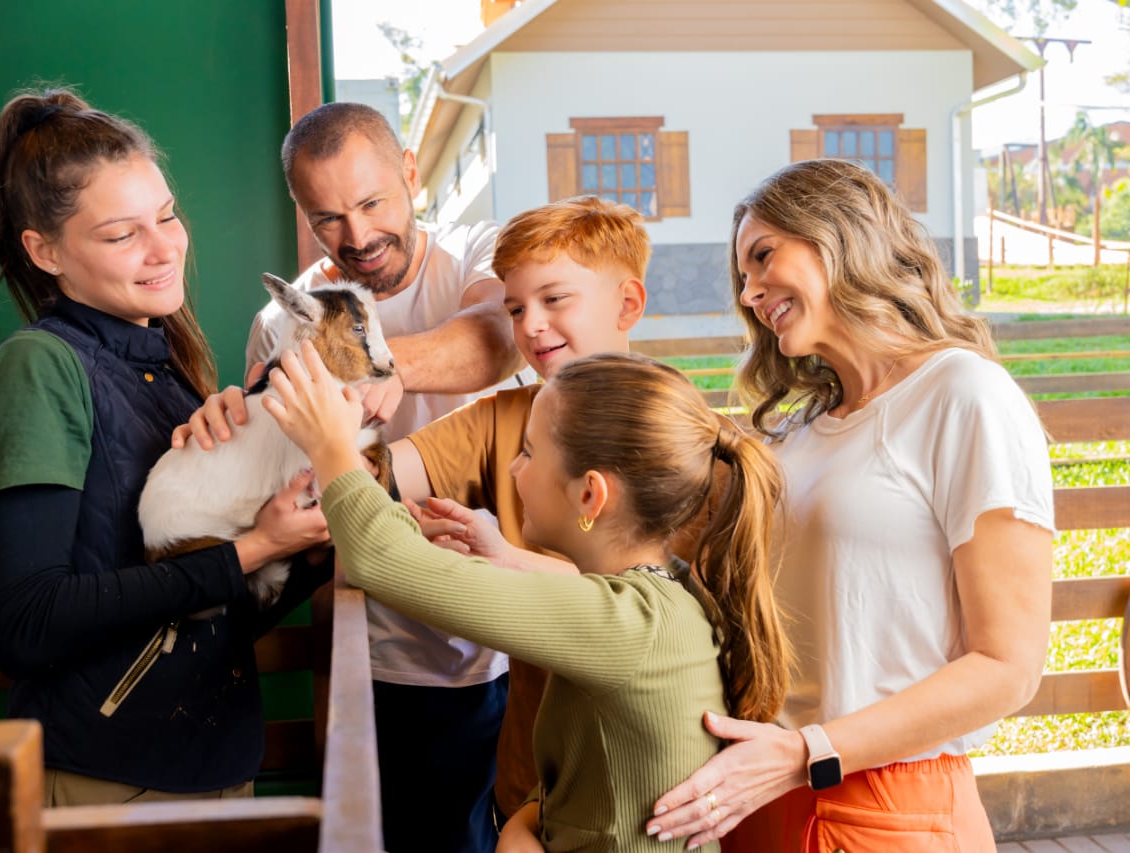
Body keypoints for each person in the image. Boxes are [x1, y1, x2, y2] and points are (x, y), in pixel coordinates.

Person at [645, 159, 1055, 852]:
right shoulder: (794, 431)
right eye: (741, 276)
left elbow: (1007, 666)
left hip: (887, 803)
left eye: (763, 256)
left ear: (837, 235)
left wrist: (810, 750)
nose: (749, 292)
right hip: (757, 791)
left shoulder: (964, 394)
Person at [0, 88, 330, 806]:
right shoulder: (37, 371)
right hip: (108, 779)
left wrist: (304, 542)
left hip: (214, 764)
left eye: (168, 216)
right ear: (45, 249)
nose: (164, 248)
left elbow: (210, 611)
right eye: (123, 235)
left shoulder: (175, 370)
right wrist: (249, 551)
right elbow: (26, 625)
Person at [263, 341, 789, 853]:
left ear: (590, 495)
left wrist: (331, 445)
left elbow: (385, 559)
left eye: (530, 453)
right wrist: (530, 821)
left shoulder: (627, 623)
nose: (514, 469)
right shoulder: (658, 595)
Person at [183, 101, 526, 853]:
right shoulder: (288, 315)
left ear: (411, 173)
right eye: (328, 216)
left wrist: (382, 364)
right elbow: (268, 471)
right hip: (382, 648)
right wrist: (216, 424)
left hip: (513, 631)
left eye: (372, 202)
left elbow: (496, 337)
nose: (358, 236)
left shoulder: (478, 252)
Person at [389, 195, 738, 825]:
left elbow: (677, 617)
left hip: (661, 801)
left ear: (628, 304)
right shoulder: (503, 418)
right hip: (531, 791)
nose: (530, 327)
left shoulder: (683, 438)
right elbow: (380, 476)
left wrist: (510, 568)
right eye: (517, 309)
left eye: (555, 300)